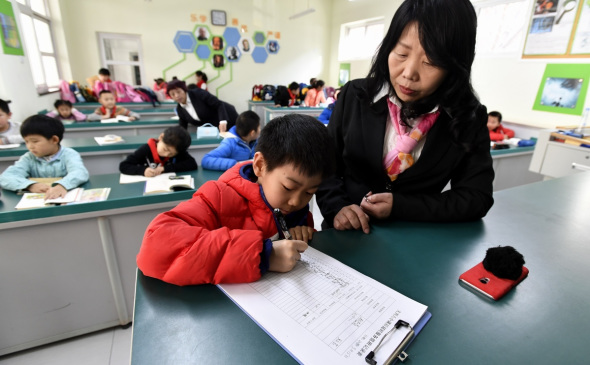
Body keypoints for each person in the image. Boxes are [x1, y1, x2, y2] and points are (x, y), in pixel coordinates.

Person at [315, 0, 494, 233]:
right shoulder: (355, 96)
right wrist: (337, 207)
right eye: (401, 53)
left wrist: (401, 206)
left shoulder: (467, 116)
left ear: (455, 66)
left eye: (431, 62)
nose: (409, 74)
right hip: (346, 236)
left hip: (413, 241)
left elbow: (476, 197)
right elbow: (325, 166)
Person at [136, 114, 336, 285]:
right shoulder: (219, 197)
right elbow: (156, 246)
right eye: (288, 187)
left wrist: (301, 232)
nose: (296, 201)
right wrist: (263, 255)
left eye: (309, 192)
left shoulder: (291, 208)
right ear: (259, 166)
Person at [0, 115, 89, 198]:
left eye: (34, 141)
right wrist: (30, 185)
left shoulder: (69, 154)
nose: (30, 146)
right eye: (26, 141)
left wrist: (62, 185)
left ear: (54, 140)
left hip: (64, 198)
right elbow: (6, 177)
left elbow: (80, 172)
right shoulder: (28, 158)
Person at [119, 126, 198, 177]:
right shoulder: (146, 150)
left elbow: (192, 164)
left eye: (171, 154)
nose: (166, 154)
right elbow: (124, 166)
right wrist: (143, 171)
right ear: (161, 137)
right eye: (165, 149)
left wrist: (165, 168)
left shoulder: (177, 150)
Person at [167, 79, 238, 132]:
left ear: (184, 90)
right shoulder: (180, 109)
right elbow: (182, 127)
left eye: (178, 92)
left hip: (228, 116)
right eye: (173, 94)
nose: (177, 96)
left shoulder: (198, 93)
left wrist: (223, 121)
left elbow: (219, 104)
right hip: (215, 128)